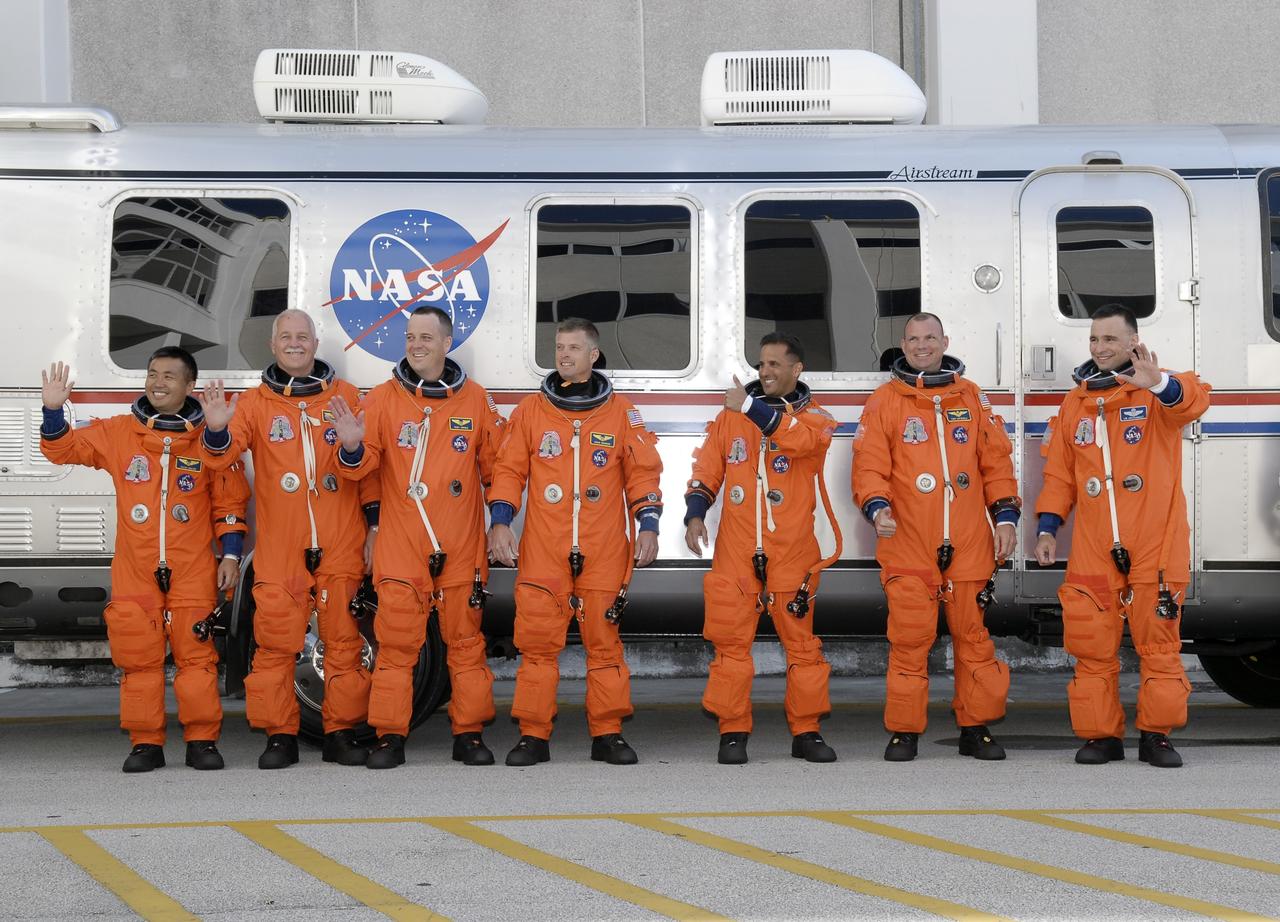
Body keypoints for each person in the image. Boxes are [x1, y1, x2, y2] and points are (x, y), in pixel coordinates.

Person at [39, 349, 249, 772]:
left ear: (190, 386)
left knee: (197, 660)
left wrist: (230, 554)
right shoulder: (120, 433)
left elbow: (230, 502)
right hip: (136, 569)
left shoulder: (210, 438)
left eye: (170, 376)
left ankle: (202, 741)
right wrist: (52, 409)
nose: (158, 382)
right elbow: (63, 450)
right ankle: (146, 743)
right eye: (153, 373)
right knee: (139, 660)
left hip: (192, 568)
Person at [1034, 303, 1211, 768]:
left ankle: (1156, 736)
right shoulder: (1076, 401)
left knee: (1158, 646)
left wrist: (1158, 384)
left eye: (1110, 339)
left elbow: (1194, 399)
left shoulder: (1156, 389)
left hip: (1155, 541)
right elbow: (1060, 475)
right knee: (1091, 646)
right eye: (1094, 339)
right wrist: (1049, 528)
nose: (1100, 347)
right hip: (1094, 547)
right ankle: (1101, 736)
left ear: (1133, 341)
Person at [200, 309, 376, 769]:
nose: (294, 343)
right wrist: (216, 429)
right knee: (276, 644)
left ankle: (340, 733)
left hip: (339, 540)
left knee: (342, 643)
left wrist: (354, 446)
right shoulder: (255, 403)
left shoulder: (346, 396)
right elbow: (221, 460)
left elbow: (366, 472)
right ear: (273, 345)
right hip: (282, 548)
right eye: (286, 337)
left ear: (315, 343)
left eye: (302, 336)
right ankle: (280, 736)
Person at [329, 307, 503, 768]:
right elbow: (360, 469)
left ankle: (468, 735)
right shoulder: (384, 399)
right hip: (403, 546)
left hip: (461, 545)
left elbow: (499, 470)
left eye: (426, 336)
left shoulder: (476, 401)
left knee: (465, 645)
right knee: (398, 646)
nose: (416, 344)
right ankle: (390, 737)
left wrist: (502, 519)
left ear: (447, 343)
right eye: (410, 336)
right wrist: (349, 445)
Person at [487, 318, 662, 766]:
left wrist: (649, 525)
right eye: (559, 347)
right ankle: (532, 735)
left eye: (572, 348)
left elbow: (642, 473)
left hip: (603, 549)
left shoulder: (622, 412)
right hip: (545, 549)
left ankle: (607, 733)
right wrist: (501, 521)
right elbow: (508, 471)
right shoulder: (531, 411)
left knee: (603, 645)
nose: (563, 355)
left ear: (593, 355)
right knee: (539, 645)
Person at [852, 312, 1021, 762]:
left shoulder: (972, 397)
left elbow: (996, 464)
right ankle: (905, 732)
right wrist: (876, 506)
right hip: (907, 540)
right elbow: (869, 465)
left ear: (944, 341)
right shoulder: (885, 401)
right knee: (909, 639)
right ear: (902, 345)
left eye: (930, 338)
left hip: (967, 540)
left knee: (973, 638)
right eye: (913, 339)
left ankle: (975, 728)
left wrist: (1005, 518)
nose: (922, 346)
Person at [684, 332, 843, 764]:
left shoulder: (817, 418)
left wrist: (751, 408)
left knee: (803, 647)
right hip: (738, 550)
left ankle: (806, 732)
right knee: (731, 646)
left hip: (793, 551)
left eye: (775, 364)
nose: (766, 371)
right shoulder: (730, 419)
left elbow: (800, 443)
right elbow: (707, 467)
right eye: (761, 364)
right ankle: (732, 731)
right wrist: (695, 512)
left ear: (797, 370)